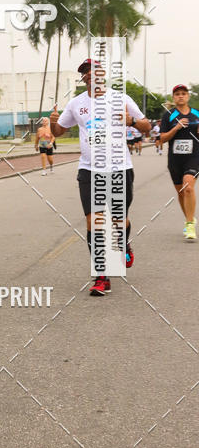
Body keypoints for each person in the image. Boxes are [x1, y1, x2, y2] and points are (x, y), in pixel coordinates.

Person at [50, 58, 150, 296]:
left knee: (118, 220)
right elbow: (59, 132)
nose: (89, 75)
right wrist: (53, 125)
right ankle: (101, 276)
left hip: (119, 168)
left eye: (93, 71)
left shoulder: (122, 99)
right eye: (85, 72)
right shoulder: (76, 104)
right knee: (93, 221)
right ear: (83, 78)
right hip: (89, 170)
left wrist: (132, 121)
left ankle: (123, 243)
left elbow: (146, 126)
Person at [157, 84, 199, 241]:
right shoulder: (169, 115)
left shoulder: (196, 114)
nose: (180, 96)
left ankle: (189, 224)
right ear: (174, 98)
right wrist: (176, 128)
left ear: (188, 96)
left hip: (193, 157)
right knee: (181, 192)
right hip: (175, 159)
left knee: (188, 186)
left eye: (183, 93)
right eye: (177, 94)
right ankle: (190, 218)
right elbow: (162, 139)